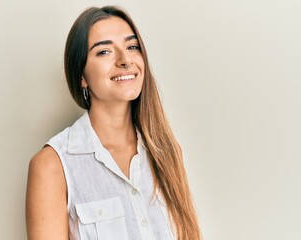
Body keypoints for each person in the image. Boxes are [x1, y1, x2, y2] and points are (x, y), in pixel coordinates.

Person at [26, 6, 201, 240]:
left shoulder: (167, 152)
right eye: (104, 52)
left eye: (131, 47)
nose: (125, 60)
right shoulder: (52, 165)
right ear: (82, 77)